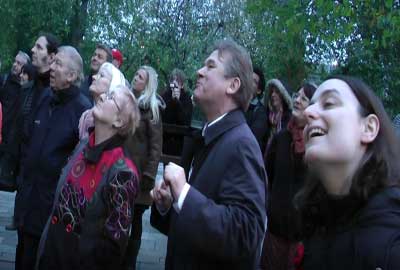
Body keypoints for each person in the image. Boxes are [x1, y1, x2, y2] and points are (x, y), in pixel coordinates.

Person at [150, 39, 267, 269]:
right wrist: (169, 206)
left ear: (232, 85)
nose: (199, 71)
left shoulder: (241, 143)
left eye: (210, 66)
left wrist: (184, 194)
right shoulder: (211, 137)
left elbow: (246, 236)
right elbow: (198, 230)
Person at [296, 75, 400, 269]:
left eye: (329, 103)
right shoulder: (315, 221)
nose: (308, 111)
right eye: (311, 105)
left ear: (368, 128)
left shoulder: (392, 239)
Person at [37, 85, 140, 270]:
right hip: (50, 255)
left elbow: (113, 248)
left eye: (110, 97)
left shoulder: (124, 172)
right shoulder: (83, 144)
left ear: (119, 121)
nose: (101, 97)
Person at [14, 46, 91, 270]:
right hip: (27, 202)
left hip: (52, 212)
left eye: (57, 64)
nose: (52, 68)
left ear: (72, 75)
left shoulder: (83, 111)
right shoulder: (46, 96)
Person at [261, 82, 317, 270]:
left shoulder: (318, 145)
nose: (298, 100)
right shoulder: (280, 139)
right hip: (275, 233)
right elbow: (266, 175)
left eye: (304, 98)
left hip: (302, 240)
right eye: (296, 96)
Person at [122, 65, 164, 270]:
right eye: (136, 74)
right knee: (121, 215)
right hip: (122, 171)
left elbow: (156, 147)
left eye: (140, 76)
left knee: (135, 219)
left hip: (139, 175)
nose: (135, 77)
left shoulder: (151, 109)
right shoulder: (127, 101)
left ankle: (129, 262)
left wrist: (149, 175)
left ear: (147, 84)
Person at [78, 62, 126, 140]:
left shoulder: (110, 125)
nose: (93, 77)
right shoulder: (86, 116)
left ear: (113, 85)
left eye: (102, 75)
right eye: (97, 74)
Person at [161, 68, 193, 156]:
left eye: (177, 81)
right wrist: (172, 101)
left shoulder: (187, 98)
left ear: (182, 84)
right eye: (172, 80)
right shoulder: (165, 95)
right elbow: (163, 118)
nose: (174, 83)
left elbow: (186, 122)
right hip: (165, 141)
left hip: (180, 143)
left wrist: (178, 102)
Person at [264, 78, 292, 153]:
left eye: (277, 92)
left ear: (283, 96)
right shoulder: (266, 115)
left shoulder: (289, 119)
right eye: (272, 92)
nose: (273, 95)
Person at [245, 66, 268, 151]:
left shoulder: (260, 113)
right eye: (248, 78)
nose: (249, 82)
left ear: (259, 90)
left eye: (253, 81)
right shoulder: (234, 102)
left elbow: (251, 139)